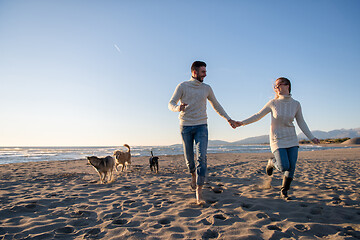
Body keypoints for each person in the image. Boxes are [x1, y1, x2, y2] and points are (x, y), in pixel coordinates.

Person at [235, 77, 320, 200]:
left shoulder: (296, 104)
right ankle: (271, 162)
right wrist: (241, 123)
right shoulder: (273, 103)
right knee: (283, 166)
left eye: (279, 85)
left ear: (287, 86)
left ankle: (284, 191)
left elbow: (301, 122)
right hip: (277, 139)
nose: (276, 88)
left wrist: (312, 137)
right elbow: (257, 115)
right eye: (275, 86)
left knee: (291, 167)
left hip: (291, 139)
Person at [168, 61, 237, 204]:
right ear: (194, 72)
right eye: (203, 72)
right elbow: (171, 103)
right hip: (185, 126)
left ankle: (199, 191)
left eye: (205, 71)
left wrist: (228, 119)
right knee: (189, 159)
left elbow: (216, 105)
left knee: (202, 157)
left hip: (201, 125)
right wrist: (178, 108)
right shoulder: (182, 86)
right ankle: (193, 174)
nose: (205, 74)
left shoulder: (207, 88)